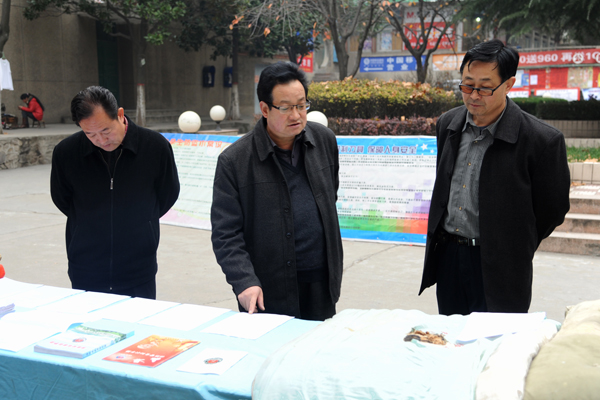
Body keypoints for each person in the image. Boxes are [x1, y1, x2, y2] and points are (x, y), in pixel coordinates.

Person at [419, 39, 570, 315]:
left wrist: (512, 244)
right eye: (467, 85)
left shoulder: (541, 140)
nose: (474, 96)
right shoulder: (448, 124)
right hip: (450, 258)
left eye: (485, 87)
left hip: (503, 268)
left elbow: (553, 210)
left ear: (509, 84)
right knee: (451, 334)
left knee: (498, 338)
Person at [211, 62, 343, 321]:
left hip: (321, 282)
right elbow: (226, 233)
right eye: (285, 108)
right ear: (264, 109)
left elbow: (330, 196)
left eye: (302, 105)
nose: (296, 115)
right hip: (266, 289)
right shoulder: (235, 161)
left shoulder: (324, 140)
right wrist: (244, 281)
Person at [50, 86, 180, 299]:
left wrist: (141, 222)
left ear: (120, 115)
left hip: (138, 269)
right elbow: (62, 198)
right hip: (86, 268)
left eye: (105, 131)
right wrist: (88, 223)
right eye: (90, 134)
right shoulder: (67, 152)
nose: (101, 140)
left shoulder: (155, 147)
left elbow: (168, 193)